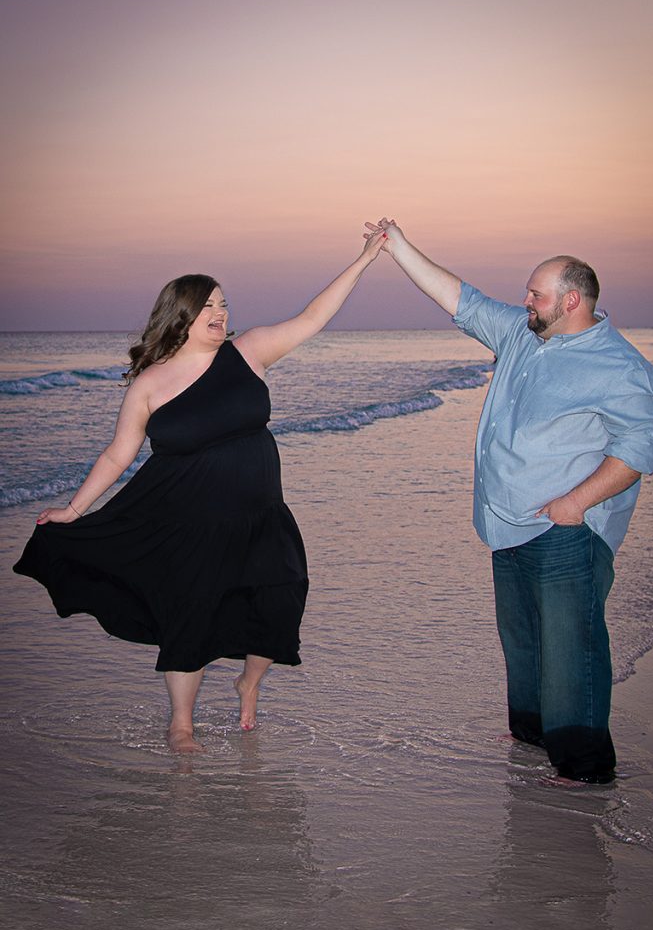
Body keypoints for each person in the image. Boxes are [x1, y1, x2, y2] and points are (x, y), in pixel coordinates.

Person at [14, 231, 386, 753]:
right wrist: (74, 510)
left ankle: (248, 683)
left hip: (261, 515)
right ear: (180, 315)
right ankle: (181, 724)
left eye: (224, 303)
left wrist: (364, 259)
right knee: (190, 618)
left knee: (282, 600)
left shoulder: (248, 352)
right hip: (184, 521)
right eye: (208, 305)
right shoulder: (150, 383)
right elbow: (118, 455)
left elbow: (313, 316)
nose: (221, 313)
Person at [364, 218, 653, 784]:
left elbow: (637, 452)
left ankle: (584, 765)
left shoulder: (619, 366)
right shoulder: (523, 334)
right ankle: (531, 734)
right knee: (523, 637)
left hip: (565, 531)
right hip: (507, 523)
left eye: (536, 293)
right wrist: (398, 247)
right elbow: (460, 298)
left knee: (570, 647)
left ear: (571, 300)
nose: (524, 300)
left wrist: (574, 504)